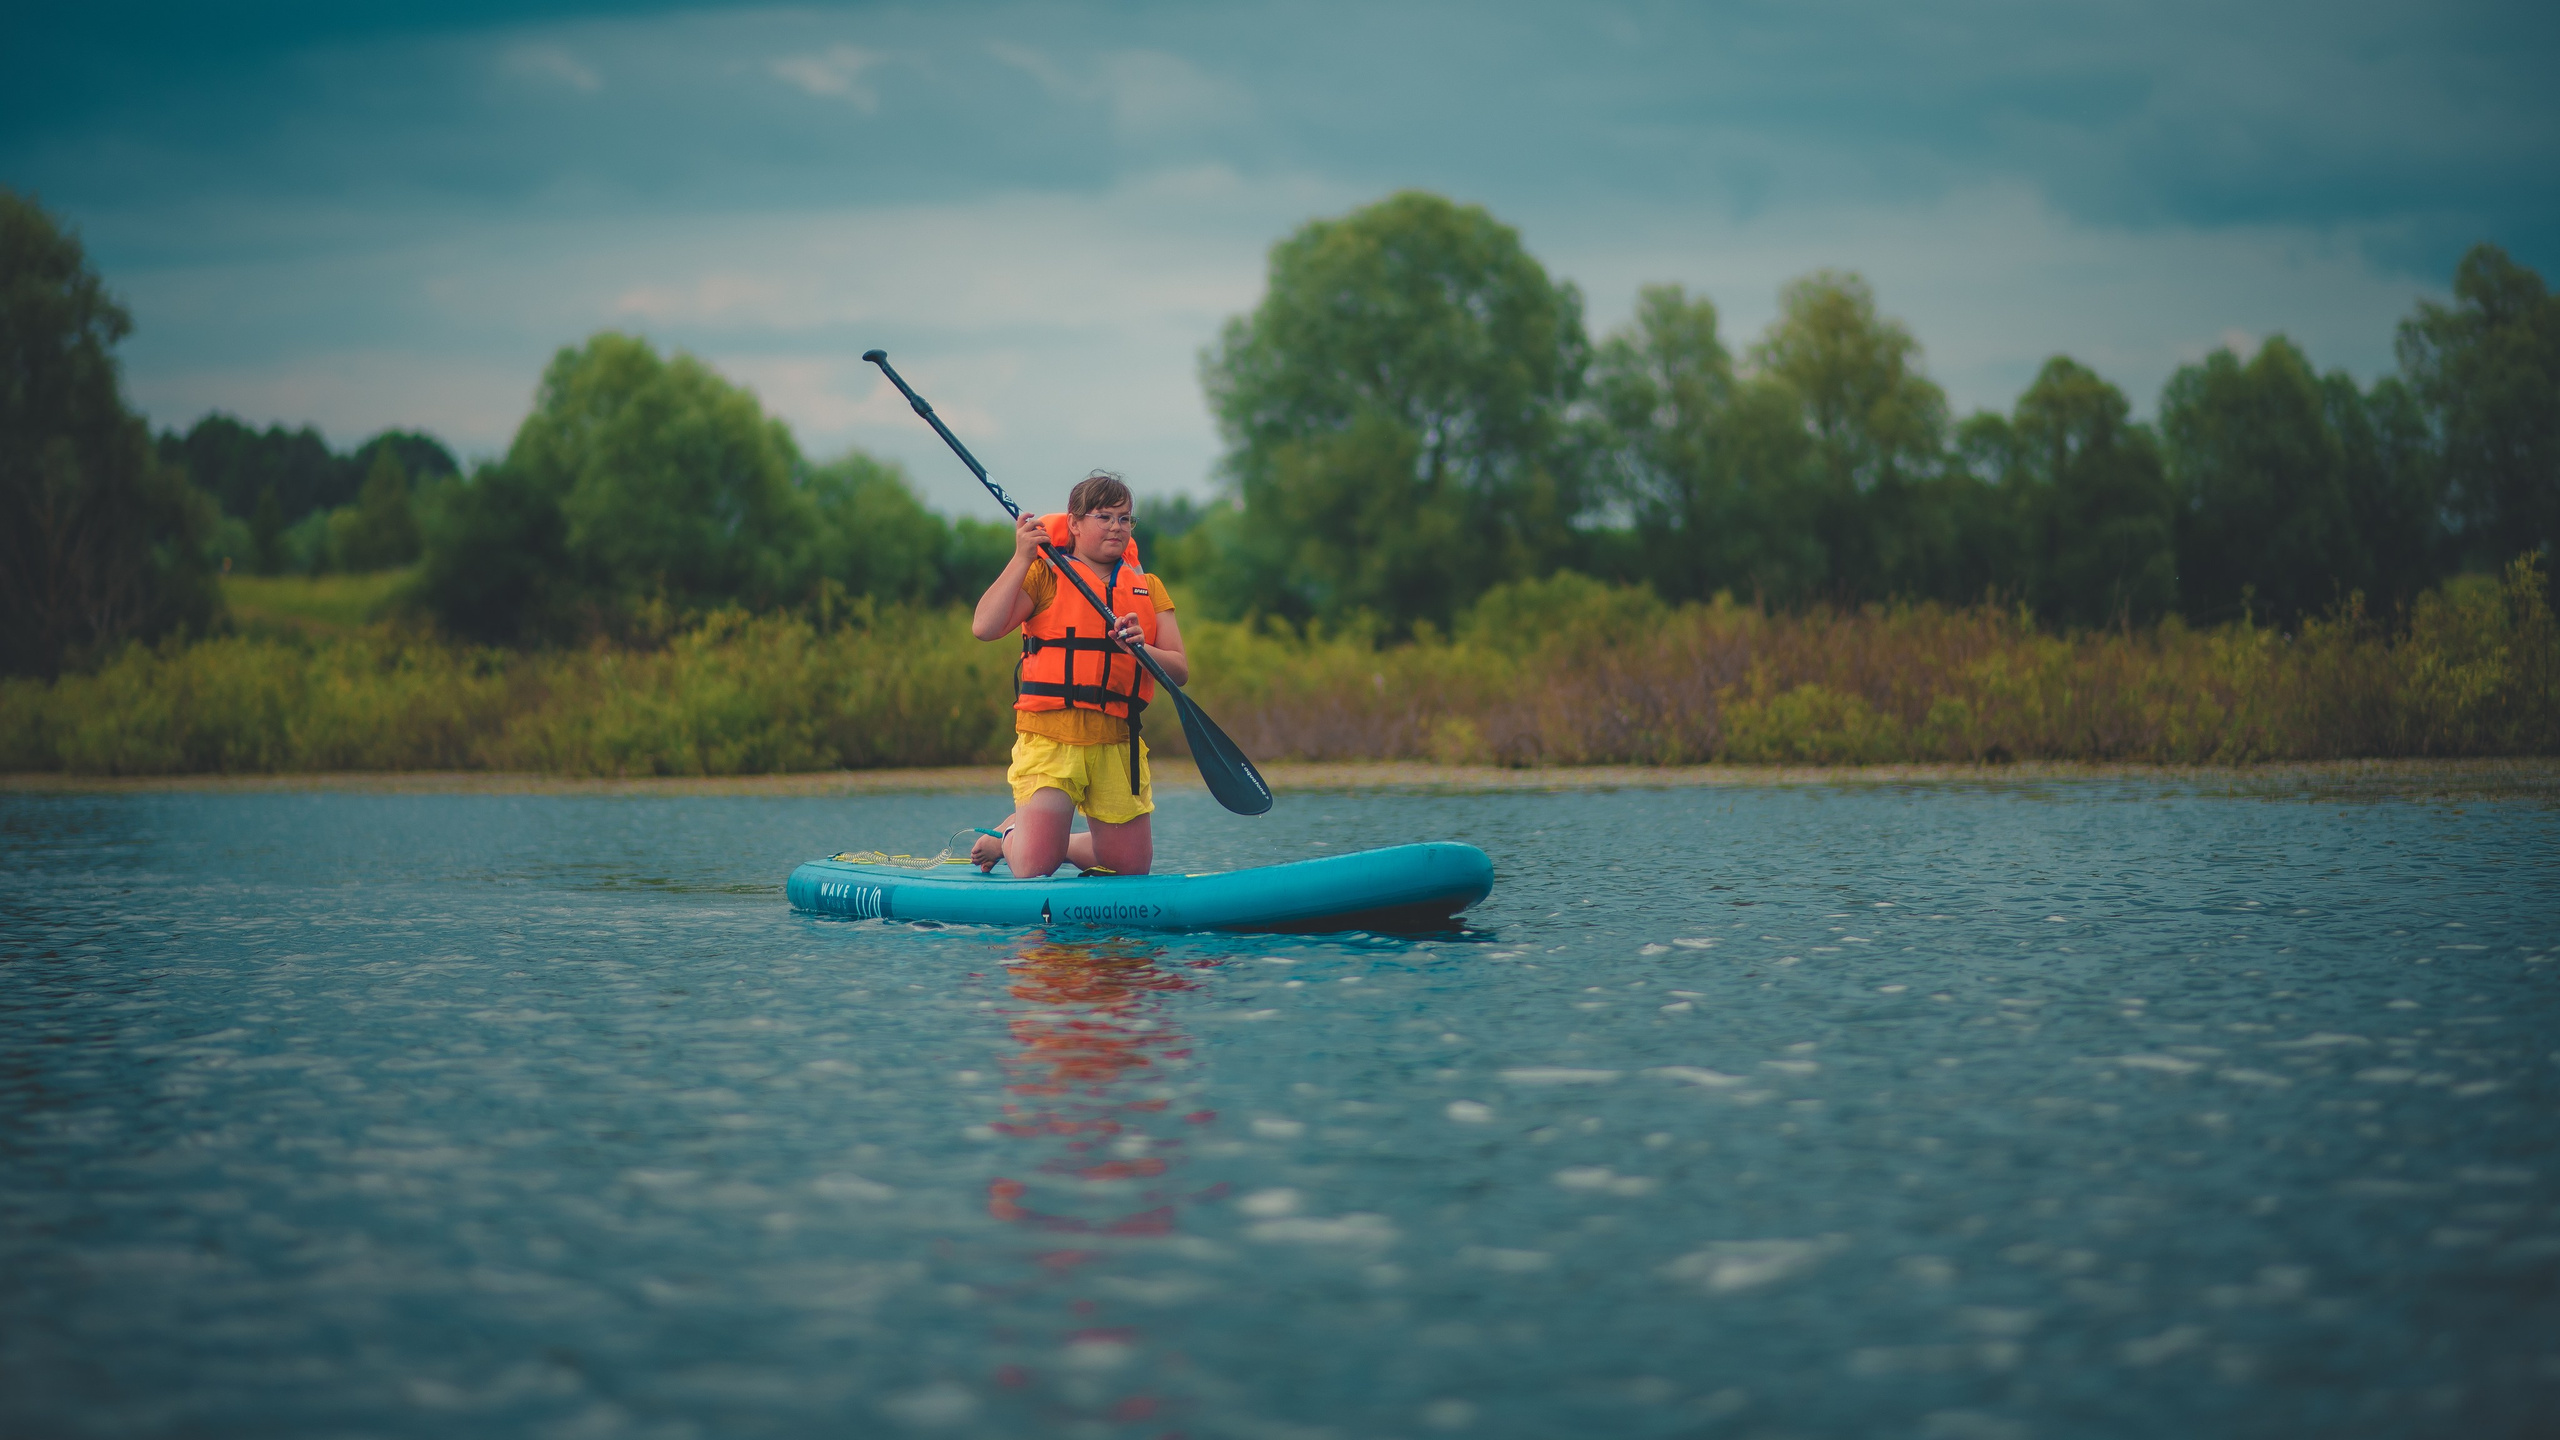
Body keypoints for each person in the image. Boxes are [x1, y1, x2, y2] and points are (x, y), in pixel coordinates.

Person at [967, 470, 1186, 877]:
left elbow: (1180, 670)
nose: (1116, 527)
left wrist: (1144, 649)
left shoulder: (1148, 587)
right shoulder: (1046, 574)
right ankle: (1013, 839)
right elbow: (985, 627)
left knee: (1130, 867)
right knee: (1033, 868)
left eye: (1125, 518)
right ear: (1074, 523)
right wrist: (1020, 558)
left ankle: (1052, 840)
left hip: (1116, 741)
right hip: (1051, 737)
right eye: (1104, 517)